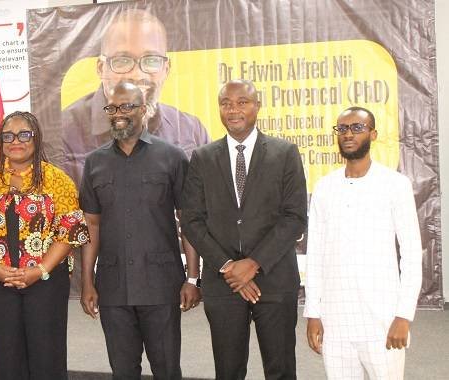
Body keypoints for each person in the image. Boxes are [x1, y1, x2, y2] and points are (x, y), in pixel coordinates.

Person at [0, 111, 89, 380]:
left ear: (37, 138)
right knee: (6, 359)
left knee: (47, 357)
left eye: (24, 134)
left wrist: (40, 270)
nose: (16, 141)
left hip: (46, 282)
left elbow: (69, 233)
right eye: (8, 136)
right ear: (0, 142)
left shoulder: (56, 179)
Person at [181, 79, 308, 379]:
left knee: (280, 369)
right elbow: (192, 220)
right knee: (228, 370)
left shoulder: (285, 153)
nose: (233, 109)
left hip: (275, 280)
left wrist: (253, 264)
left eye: (242, 102)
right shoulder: (202, 157)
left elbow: (294, 217)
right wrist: (229, 267)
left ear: (257, 106)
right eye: (226, 103)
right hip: (223, 284)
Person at [79, 82, 202, 379]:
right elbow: (91, 225)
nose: (119, 113)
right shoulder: (95, 162)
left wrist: (193, 278)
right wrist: (87, 281)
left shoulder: (172, 157)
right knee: (123, 371)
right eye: (112, 107)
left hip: (161, 285)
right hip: (113, 288)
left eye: (127, 106)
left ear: (144, 110)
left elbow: (188, 222)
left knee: (167, 369)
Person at [304, 107, 422, 379]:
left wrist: (404, 316)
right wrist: (313, 313)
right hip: (336, 322)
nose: (348, 134)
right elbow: (316, 255)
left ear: (373, 134)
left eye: (357, 128)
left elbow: (412, 254)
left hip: (382, 320)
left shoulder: (395, 184)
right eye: (342, 128)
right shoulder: (325, 187)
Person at [60, 9, 210, 186]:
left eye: (151, 60)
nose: (138, 75)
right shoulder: (65, 133)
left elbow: (206, 201)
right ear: (101, 68)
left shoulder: (191, 130)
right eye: (122, 61)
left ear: (166, 69)